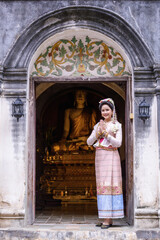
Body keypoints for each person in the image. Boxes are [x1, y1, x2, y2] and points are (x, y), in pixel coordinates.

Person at [87, 98, 124, 229]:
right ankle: (105, 217)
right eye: (103, 110)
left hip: (111, 156)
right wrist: (97, 133)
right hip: (100, 156)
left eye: (107, 110)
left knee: (110, 184)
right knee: (102, 185)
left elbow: (118, 143)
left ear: (112, 111)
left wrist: (107, 135)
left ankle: (108, 220)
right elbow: (88, 142)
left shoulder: (117, 125)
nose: (105, 112)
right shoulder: (97, 125)